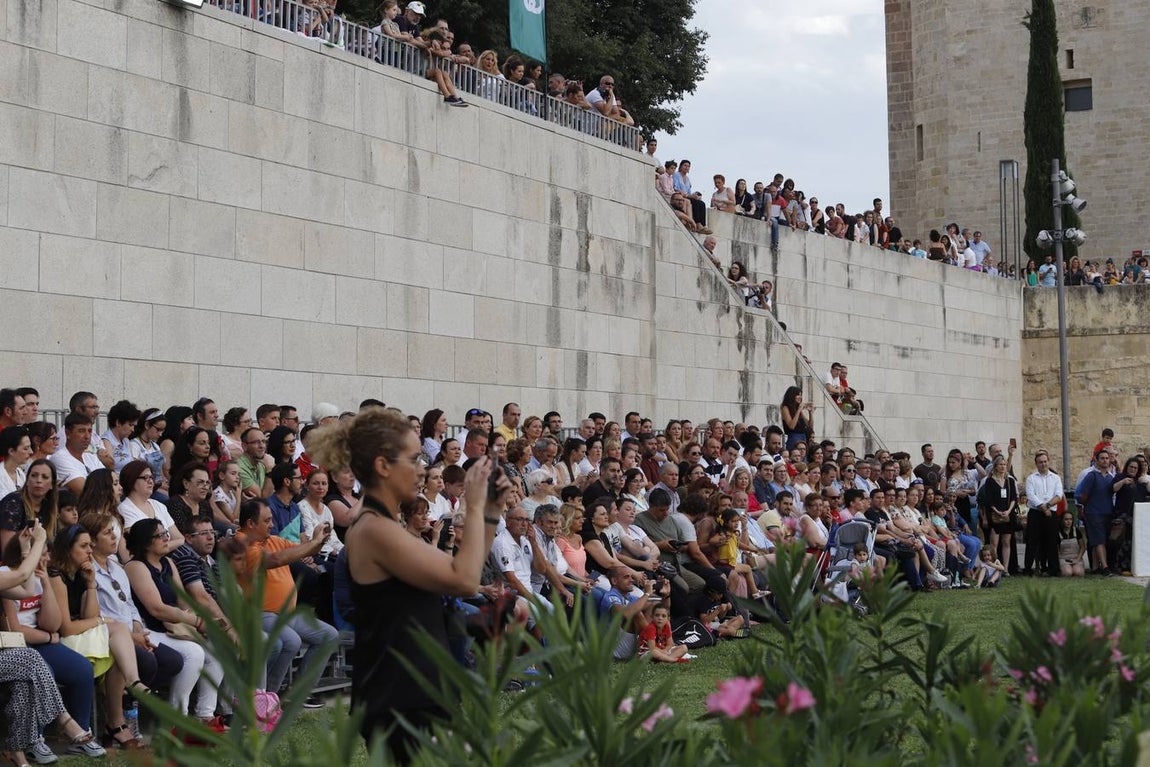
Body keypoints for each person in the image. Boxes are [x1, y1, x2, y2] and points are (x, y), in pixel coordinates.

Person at [306, 407, 512, 762]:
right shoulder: (373, 529)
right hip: (399, 693)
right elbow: (463, 581)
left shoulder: (383, 524)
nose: (422, 469)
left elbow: (463, 568)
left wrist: (491, 511)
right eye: (414, 459)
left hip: (416, 684)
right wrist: (474, 505)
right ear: (384, 466)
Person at [234, 498, 338, 708]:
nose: (272, 525)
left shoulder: (272, 540)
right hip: (260, 613)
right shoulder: (240, 544)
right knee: (290, 641)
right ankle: (266, 698)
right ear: (250, 524)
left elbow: (305, 551)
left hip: (286, 613)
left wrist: (319, 538)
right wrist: (311, 544)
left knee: (329, 635)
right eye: (267, 520)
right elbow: (276, 560)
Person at [123, 518, 225, 729]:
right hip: (150, 629)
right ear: (145, 542)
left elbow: (182, 600)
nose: (165, 538)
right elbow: (156, 608)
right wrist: (196, 621)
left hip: (175, 626)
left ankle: (205, 715)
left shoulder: (168, 563)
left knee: (217, 649)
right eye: (159, 535)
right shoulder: (135, 566)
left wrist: (201, 624)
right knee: (193, 653)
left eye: (165, 534)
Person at [1076, 448, 1117, 575]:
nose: (1105, 461)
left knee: (1097, 540)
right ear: (1096, 460)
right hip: (1093, 512)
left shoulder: (1111, 477)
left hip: (1107, 512)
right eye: (1102, 458)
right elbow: (1083, 495)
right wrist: (1085, 507)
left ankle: (1095, 567)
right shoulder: (1091, 475)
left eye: (1107, 458)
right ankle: (1105, 567)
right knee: (1099, 540)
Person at [1024, 451, 1064, 577]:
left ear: (1048, 461)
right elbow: (1031, 496)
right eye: (1040, 462)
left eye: (1045, 461)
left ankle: (1053, 569)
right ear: (1036, 464)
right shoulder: (1031, 478)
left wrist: (1047, 506)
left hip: (1051, 513)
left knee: (1051, 541)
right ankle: (1028, 568)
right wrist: (1042, 507)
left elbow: (1059, 495)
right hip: (1035, 513)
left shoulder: (1056, 478)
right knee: (1032, 542)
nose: (1043, 464)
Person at [1056, 512, 1086, 577]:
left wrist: (1078, 559)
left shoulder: (1076, 531)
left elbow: (1083, 547)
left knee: (1078, 573)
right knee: (1067, 573)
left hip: (1076, 558)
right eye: (1066, 519)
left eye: (1070, 519)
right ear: (1062, 520)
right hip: (1063, 559)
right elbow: (1057, 550)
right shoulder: (1058, 533)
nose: (1068, 521)